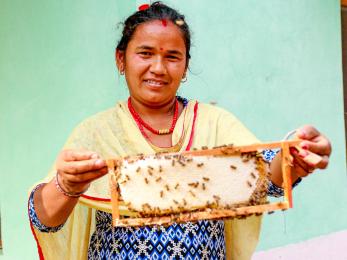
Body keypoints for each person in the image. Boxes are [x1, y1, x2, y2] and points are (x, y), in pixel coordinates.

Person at [28, 2, 331, 260]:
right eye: (145, 53)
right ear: (121, 59)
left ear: (185, 67)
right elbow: (44, 218)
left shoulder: (213, 123)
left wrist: (295, 154)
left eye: (172, 56)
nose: (158, 68)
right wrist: (66, 185)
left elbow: (264, 176)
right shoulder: (98, 132)